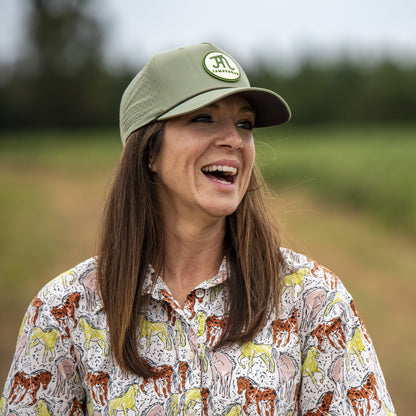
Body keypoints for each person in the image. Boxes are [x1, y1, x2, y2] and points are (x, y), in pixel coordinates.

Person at [1, 43, 396, 416]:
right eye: (203, 118)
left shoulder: (315, 304)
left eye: (245, 123)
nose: (234, 140)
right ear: (149, 150)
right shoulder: (65, 312)